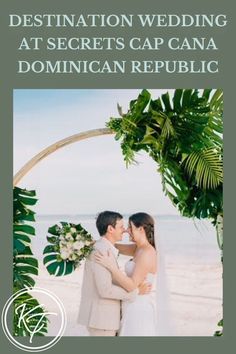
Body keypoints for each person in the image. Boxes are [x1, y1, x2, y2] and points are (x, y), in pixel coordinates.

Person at [77, 211, 151, 336]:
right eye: (121, 227)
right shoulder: (101, 251)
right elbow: (105, 290)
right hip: (102, 320)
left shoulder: (105, 248)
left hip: (106, 320)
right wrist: (136, 292)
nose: (125, 230)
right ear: (110, 229)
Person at [95, 212, 158, 336]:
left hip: (139, 307)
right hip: (131, 303)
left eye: (130, 227)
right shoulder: (138, 248)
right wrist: (95, 243)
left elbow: (131, 285)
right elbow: (115, 246)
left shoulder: (147, 252)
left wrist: (111, 267)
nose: (126, 231)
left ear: (140, 229)